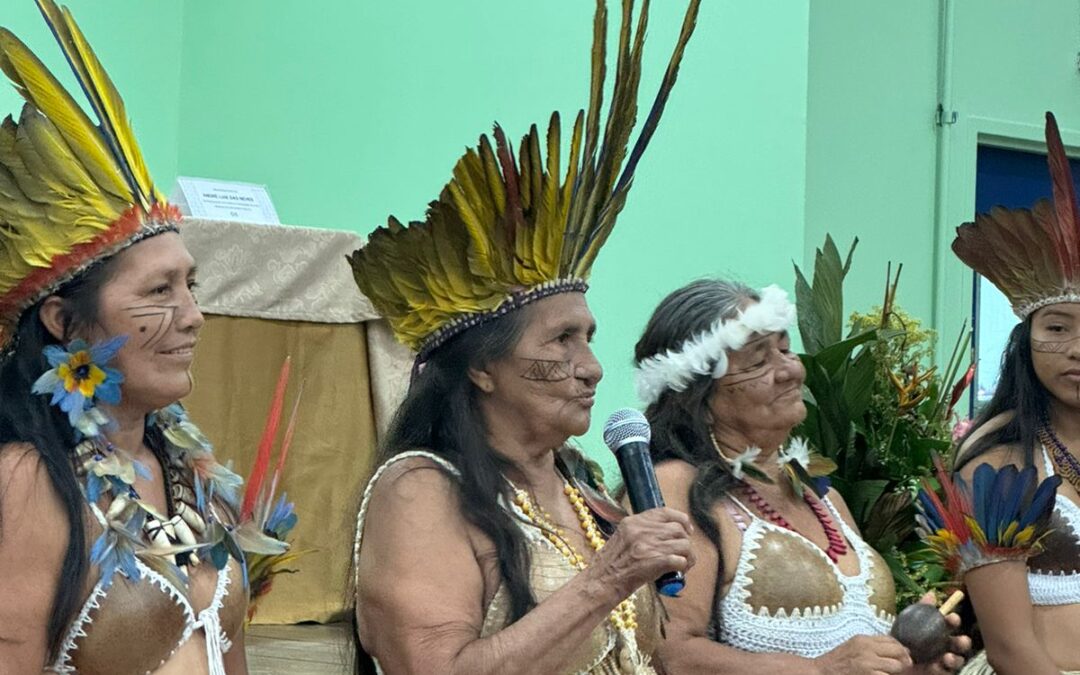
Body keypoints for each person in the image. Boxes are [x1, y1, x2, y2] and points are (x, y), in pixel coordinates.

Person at [348, 1, 702, 672]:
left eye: (590, 337)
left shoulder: (580, 483)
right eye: (560, 340)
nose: (591, 366)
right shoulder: (422, 489)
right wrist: (606, 578)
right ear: (483, 367)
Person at [0, 3, 262, 672]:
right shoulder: (28, 483)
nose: (193, 315)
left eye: (190, 285)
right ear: (62, 322)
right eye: (157, 291)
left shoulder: (193, 473)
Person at [632, 279, 970, 674]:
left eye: (785, 348)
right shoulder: (675, 488)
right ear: (700, 399)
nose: (790, 370)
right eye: (758, 361)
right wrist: (821, 670)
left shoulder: (822, 495)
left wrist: (907, 663)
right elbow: (667, 655)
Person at [948, 112, 1080, 675]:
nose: (1077, 348)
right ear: (1025, 343)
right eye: (1057, 328)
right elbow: (1009, 649)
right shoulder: (996, 467)